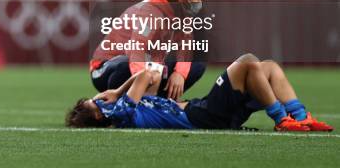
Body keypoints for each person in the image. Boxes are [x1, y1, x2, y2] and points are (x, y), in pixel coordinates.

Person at [67, 54, 333, 132]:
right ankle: (282, 120)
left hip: (205, 111)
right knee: (247, 63)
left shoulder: (128, 109)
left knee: (268, 67)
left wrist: (115, 89)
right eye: (94, 102)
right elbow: (147, 74)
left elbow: (150, 74)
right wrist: (118, 92)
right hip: (201, 115)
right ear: (99, 114)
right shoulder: (123, 111)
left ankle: (299, 117)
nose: (99, 98)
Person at [90, 0, 212, 100]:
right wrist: (144, 79)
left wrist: (180, 74)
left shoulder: (182, 15)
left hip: (143, 64)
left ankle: (158, 104)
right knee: (132, 64)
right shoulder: (150, 13)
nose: (200, 2)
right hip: (104, 69)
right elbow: (136, 49)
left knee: (197, 64)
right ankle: (134, 102)